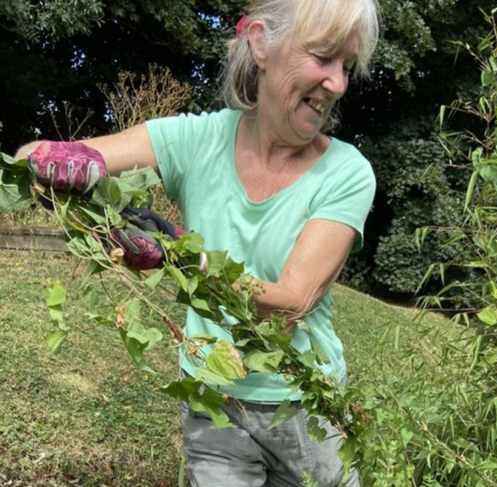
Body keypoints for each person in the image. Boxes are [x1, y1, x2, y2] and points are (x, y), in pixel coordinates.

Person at [15, 0, 380, 485]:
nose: (338, 83)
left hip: (306, 410)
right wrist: (54, 163)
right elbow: (29, 160)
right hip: (213, 402)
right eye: (322, 57)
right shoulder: (197, 140)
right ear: (260, 42)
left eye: (347, 66)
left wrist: (187, 257)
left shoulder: (348, 172)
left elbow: (291, 302)